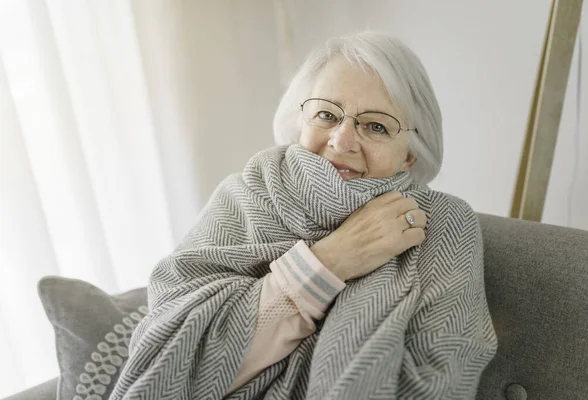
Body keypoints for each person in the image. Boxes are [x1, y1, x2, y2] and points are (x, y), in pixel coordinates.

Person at [110, 31, 498, 400]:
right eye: (327, 115)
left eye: (376, 126)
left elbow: (443, 376)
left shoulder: (442, 222)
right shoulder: (245, 193)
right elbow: (168, 354)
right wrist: (330, 262)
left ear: (411, 153)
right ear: (301, 123)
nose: (342, 140)